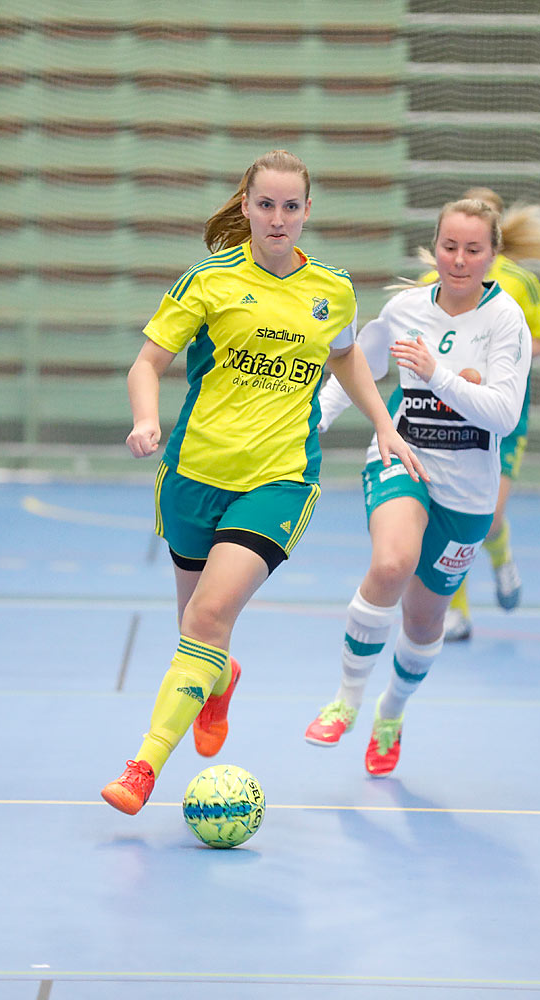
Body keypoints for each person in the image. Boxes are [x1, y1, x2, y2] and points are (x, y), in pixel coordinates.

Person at [101, 149, 426, 814]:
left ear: (308, 212)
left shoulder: (332, 291)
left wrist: (384, 425)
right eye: (266, 205)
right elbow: (147, 362)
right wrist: (144, 418)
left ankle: (142, 768)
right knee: (195, 627)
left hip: (279, 477)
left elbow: (347, 360)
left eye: (291, 206)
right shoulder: (209, 280)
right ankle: (218, 676)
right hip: (193, 473)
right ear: (246, 207)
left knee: (211, 614)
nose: (278, 218)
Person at [302, 197, 532, 776]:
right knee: (391, 563)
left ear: (492, 256)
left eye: (472, 249)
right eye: (448, 247)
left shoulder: (506, 321)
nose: (458, 259)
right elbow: (355, 365)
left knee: (425, 619)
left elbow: (503, 415)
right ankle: (346, 700)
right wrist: (316, 421)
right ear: (433, 248)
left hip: (469, 493)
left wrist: (438, 375)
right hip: (401, 455)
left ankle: (391, 711)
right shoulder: (406, 309)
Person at [422, 188, 540, 642]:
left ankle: (502, 561)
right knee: (445, 512)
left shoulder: (518, 284)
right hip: (451, 412)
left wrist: (505, 357)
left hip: (503, 412)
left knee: (489, 516)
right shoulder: (432, 280)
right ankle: (454, 610)